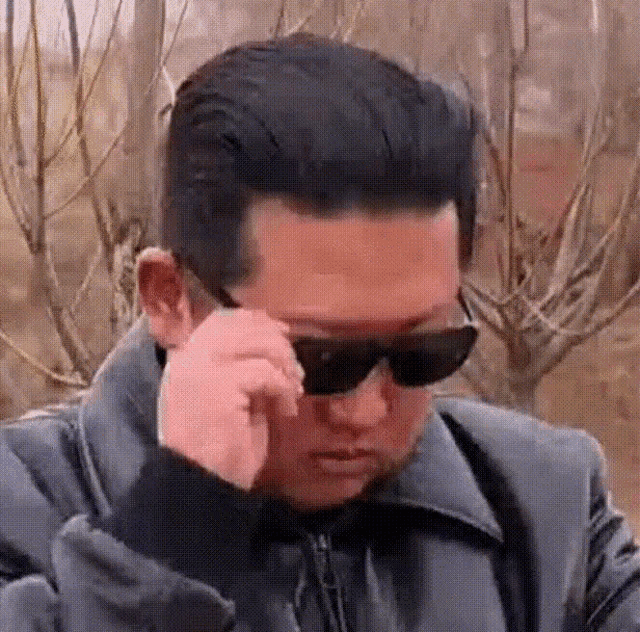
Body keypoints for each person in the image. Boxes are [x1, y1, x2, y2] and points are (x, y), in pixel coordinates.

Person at [0, 33, 638, 632]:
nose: (364, 411)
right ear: (170, 298)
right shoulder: (21, 504)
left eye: (423, 353)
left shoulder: (546, 508)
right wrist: (172, 537)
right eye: (321, 359)